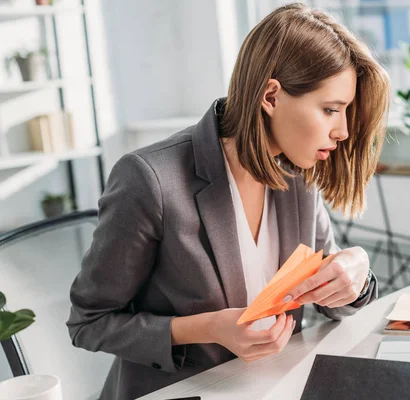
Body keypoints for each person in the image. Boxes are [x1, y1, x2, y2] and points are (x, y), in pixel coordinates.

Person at [67, 3, 390, 399]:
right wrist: (205, 328)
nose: (341, 131)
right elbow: (89, 322)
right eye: (330, 110)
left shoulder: (297, 171)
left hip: (277, 385)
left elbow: (330, 301)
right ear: (271, 96)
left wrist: (356, 275)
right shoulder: (150, 179)